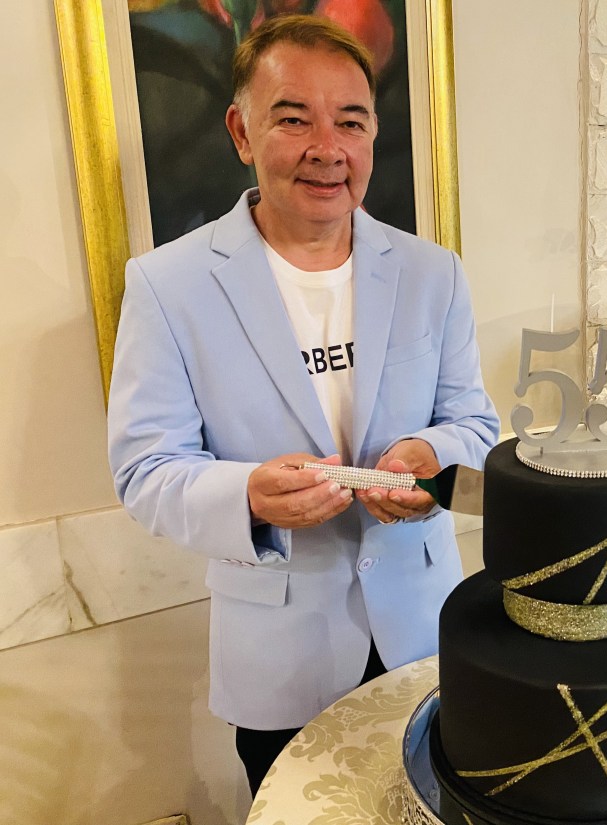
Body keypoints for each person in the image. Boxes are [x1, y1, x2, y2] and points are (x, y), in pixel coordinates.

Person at [106, 14, 499, 797]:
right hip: (279, 657)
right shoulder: (168, 285)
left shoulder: (433, 273)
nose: (328, 148)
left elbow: (477, 425)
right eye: (293, 119)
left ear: (373, 133)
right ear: (241, 132)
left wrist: (432, 456)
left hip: (425, 637)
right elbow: (145, 469)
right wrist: (249, 495)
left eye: (350, 122)